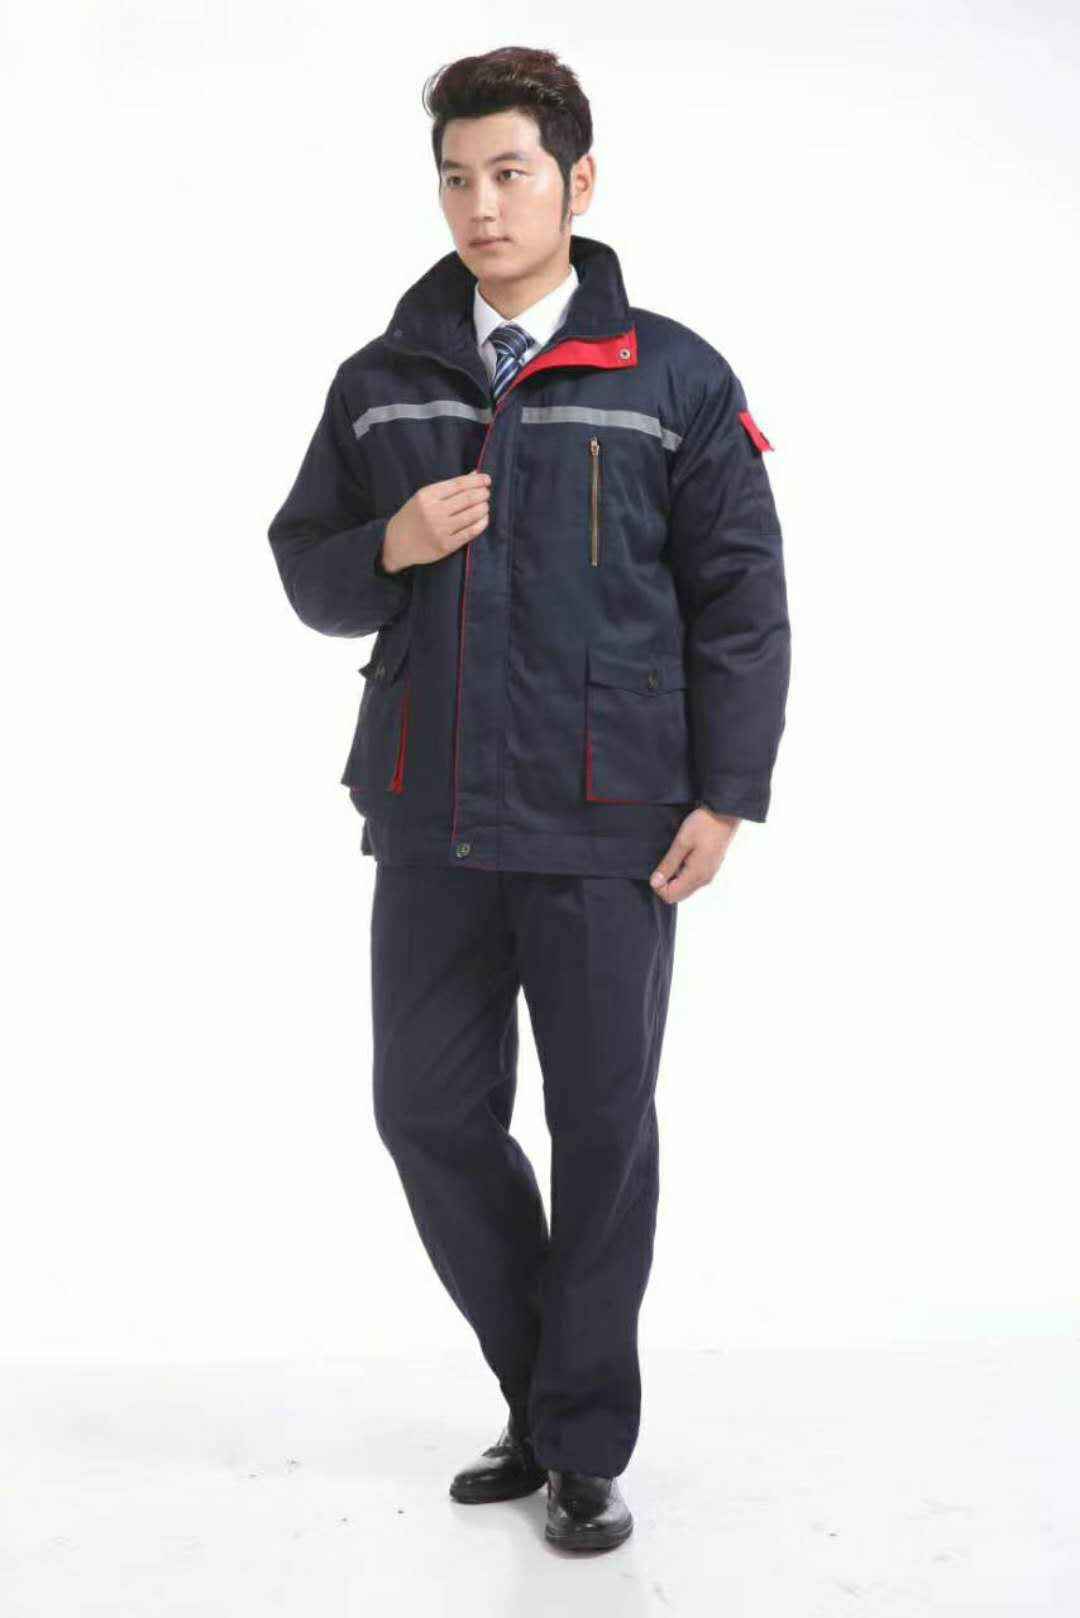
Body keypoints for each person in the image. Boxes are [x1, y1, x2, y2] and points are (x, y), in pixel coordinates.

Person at [267, 44, 790, 1554]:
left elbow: (742, 600)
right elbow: (308, 567)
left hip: (611, 821)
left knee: (602, 1128)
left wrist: (727, 792)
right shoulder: (381, 383)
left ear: (578, 180)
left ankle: (581, 1446)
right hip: (430, 811)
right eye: (456, 178)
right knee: (426, 1112)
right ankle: (546, 1394)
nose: (481, 206)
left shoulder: (672, 377)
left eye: (509, 172)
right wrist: (391, 544)